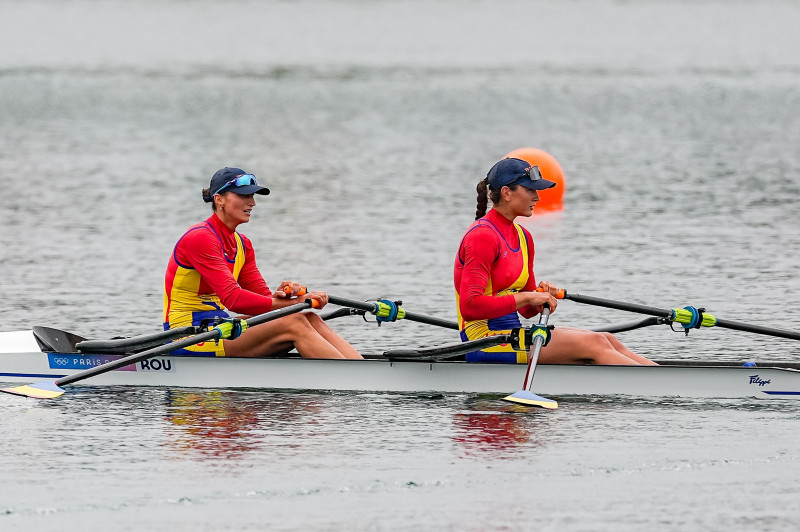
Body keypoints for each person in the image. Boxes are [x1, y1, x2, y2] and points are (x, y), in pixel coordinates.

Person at [454, 157, 656, 365]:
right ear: (506, 193)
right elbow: (470, 307)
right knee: (594, 343)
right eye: (530, 190)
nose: (537, 197)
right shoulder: (482, 236)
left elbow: (527, 311)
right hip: (485, 342)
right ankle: (661, 391)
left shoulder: (523, 237)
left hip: (511, 336)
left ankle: (664, 383)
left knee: (608, 339)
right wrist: (528, 297)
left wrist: (541, 297)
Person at [163, 167, 362, 359]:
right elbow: (233, 299)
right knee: (294, 323)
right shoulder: (200, 238)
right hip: (187, 335)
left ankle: (360, 371)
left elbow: (264, 300)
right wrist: (297, 303)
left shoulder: (243, 244)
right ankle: (355, 382)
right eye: (243, 196)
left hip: (218, 326)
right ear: (219, 199)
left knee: (309, 318)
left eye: (252, 196)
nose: (252, 203)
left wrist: (287, 295)